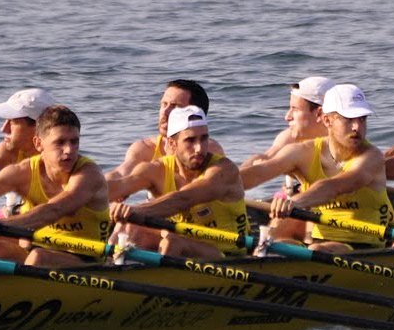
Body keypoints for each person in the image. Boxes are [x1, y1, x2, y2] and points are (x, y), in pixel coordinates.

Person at [245, 84, 394, 252]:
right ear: (327, 120)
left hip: (365, 245)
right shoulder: (304, 152)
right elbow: (259, 173)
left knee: (317, 249)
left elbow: (334, 187)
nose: (357, 127)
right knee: (272, 248)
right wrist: (226, 181)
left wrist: (294, 202)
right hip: (318, 242)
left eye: (362, 119)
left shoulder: (371, 157)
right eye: (348, 119)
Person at [0, 105, 112, 266]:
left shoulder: (88, 174)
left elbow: (54, 209)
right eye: (60, 142)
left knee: (39, 257)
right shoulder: (26, 169)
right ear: (38, 143)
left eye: (74, 142)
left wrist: (2, 224)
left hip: (85, 257)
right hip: (39, 246)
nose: (69, 150)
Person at [110, 105, 249, 259]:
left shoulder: (223, 170)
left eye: (204, 138)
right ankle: (111, 266)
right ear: (172, 143)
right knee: (129, 228)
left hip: (228, 254)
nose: (199, 148)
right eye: (190, 140)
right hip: (186, 246)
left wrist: (135, 211)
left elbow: (183, 199)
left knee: (173, 242)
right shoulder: (156, 170)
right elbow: (117, 187)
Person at [237, 76, 334, 241]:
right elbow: (262, 161)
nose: (287, 117)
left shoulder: (344, 145)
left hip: (335, 208)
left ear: (319, 114)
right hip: (300, 200)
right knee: (276, 231)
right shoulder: (290, 138)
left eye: (295, 109)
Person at [107, 79, 222, 181]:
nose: (165, 112)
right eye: (164, 104)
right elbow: (120, 174)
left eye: (175, 106)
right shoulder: (145, 149)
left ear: (196, 115)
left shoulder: (209, 150)